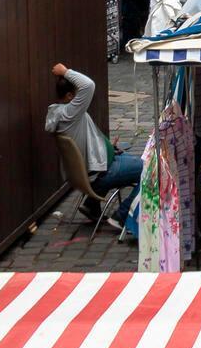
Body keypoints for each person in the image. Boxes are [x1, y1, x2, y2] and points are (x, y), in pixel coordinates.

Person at [47, 63, 137, 232]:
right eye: (76, 95)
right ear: (68, 96)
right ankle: (122, 215)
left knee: (135, 159)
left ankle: (91, 205)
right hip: (101, 173)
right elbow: (88, 85)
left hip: (98, 166)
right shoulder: (70, 112)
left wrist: (106, 146)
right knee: (150, 171)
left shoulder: (60, 113)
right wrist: (66, 72)